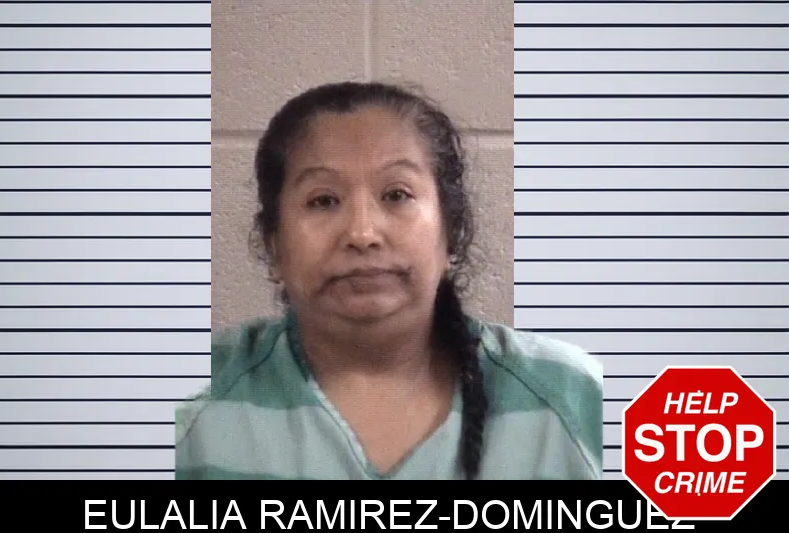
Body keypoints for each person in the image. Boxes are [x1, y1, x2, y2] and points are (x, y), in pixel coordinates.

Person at [175, 81, 603, 480]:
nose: (362, 233)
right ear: (274, 246)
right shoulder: (188, 405)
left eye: (397, 195)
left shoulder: (574, 398)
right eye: (323, 200)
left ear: (450, 231)